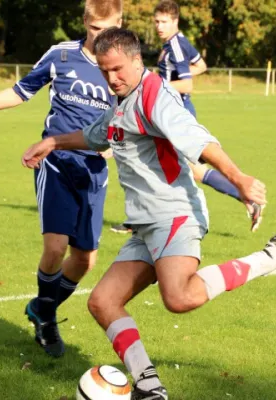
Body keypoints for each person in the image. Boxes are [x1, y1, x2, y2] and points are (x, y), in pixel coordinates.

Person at [21, 27, 276, 399]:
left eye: (118, 69)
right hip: (145, 225)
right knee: (102, 301)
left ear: (137, 60)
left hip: (175, 215)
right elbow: (96, 135)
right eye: (105, 71)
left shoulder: (155, 96)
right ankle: (151, 389)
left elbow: (199, 140)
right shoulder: (122, 101)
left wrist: (239, 180)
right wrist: (53, 140)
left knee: (180, 298)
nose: (111, 78)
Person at [0, 0, 123, 358]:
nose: (99, 38)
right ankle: (47, 319)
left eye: (106, 30)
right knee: (55, 247)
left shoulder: (123, 66)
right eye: (93, 30)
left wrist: (113, 147)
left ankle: (42, 308)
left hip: (93, 171)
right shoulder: (61, 55)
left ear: (120, 23)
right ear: (84, 23)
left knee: (85, 259)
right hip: (54, 160)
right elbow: (20, 90)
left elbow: (132, 115)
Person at [110, 0, 262, 235]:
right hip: (167, 115)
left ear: (175, 21)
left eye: (164, 22)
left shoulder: (175, 47)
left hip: (173, 116)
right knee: (191, 170)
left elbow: (187, 83)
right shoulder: (176, 44)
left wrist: (154, 86)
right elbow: (201, 65)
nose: (159, 27)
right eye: (156, 22)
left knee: (157, 162)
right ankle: (244, 196)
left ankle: (245, 196)